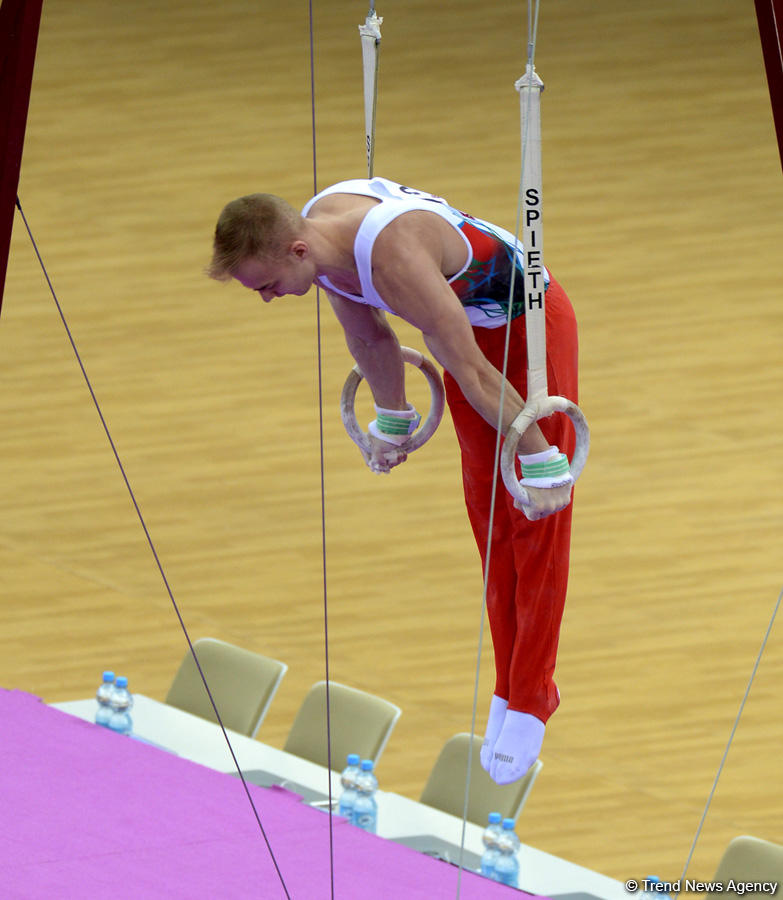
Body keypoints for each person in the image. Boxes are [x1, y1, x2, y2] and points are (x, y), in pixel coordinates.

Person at [207, 177, 578, 785]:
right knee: (486, 515)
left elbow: (475, 373)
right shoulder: (317, 244)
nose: (268, 299)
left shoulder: (393, 255)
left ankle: (535, 695)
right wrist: (392, 419)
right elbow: (369, 335)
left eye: (267, 286)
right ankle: (509, 688)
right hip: (465, 329)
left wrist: (544, 460)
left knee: (532, 516)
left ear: (296, 252)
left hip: (528, 324)